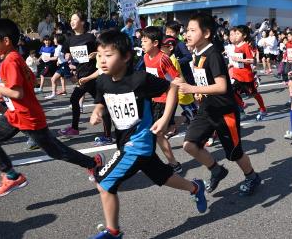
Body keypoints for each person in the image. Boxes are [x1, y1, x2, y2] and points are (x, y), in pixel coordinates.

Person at [87, 30, 206, 239]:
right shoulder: (103, 81)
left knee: (104, 183)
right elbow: (101, 100)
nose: (102, 60)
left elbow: (171, 87)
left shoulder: (140, 79)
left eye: (108, 55)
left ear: (125, 57)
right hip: (124, 141)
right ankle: (195, 188)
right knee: (163, 176)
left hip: (138, 143)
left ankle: (113, 232)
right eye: (99, 55)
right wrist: (98, 110)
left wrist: (164, 118)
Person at [0, 18, 104, 198]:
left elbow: (19, 94)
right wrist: (4, 91)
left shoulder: (10, 61)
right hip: (15, 114)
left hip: (28, 117)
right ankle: (12, 176)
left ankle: (93, 163)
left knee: (57, 151)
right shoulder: (13, 57)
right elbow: (29, 80)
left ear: (5, 41)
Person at [174, 13, 261, 196]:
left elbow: (222, 86)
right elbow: (205, 81)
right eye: (186, 30)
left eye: (191, 30)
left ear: (206, 33)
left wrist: (192, 88)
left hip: (224, 112)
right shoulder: (197, 52)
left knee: (234, 154)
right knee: (189, 144)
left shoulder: (212, 54)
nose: (186, 34)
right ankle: (216, 170)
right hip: (206, 109)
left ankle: (252, 177)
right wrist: (199, 91)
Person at [142, 26, 183, 174]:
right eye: (141, 40)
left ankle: (174, 164)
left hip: (165, 99)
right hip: (151, 98)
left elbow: (177, 78)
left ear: (155, 43)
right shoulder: (146, 57)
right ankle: (182, 119)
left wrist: (183, 92)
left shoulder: (163, 58)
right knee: (150, 129)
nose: (141, 43)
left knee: (157, 133)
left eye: (145, 40)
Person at [161, 36, 198, 129]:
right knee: (191, 107)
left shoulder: (171, 60)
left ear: (170, 48)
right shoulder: (172, 58)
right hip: (181, 89)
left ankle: (194, 126)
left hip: (180, 90)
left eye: (162, 48)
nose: (160, 50)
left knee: (189, 109)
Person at [231, 25, 267, 121]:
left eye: (238, 34)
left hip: (245, 76)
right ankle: (242, 105)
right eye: (235, 33)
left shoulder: (245, 46)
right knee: (231, 91)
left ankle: (263, 108)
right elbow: (236, 60)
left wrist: (239, 59)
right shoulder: (236, 46)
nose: (236, 35)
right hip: (236, 74)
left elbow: (251, 60)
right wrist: (232, 64)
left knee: (254, 94)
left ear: (244, 35)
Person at [165, 21, 195, 85]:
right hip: (173, 74)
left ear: (178, 33)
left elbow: (189, 57)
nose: (168, 34)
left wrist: (177, 62)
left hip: (184, 74)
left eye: (171, 32)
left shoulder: (180, 44)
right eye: (167, 32)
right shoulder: (165, 43)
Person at [45, 34, 71, 99]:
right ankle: (57, 92)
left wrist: (48, 58)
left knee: (73, 80)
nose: (53, 40)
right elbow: (61, 56)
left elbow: (56, 57)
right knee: (57, 79)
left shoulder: (58, 48)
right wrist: (58, 62)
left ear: (58, 40)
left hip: (64, 66)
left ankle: (84, 85)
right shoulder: (62, 46)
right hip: (62, 65)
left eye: (54, 39)